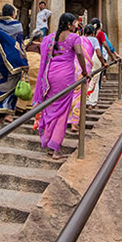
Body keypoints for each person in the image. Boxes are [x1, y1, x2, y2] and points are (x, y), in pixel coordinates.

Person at [35, 13, 90, 161]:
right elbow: (79, 52)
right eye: (74, 23)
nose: (76, 26)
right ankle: (55, 148)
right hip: (65, 75)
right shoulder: (74, 37)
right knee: (63, 110)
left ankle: (49, 140)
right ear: (68, 24)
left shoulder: (52, 37)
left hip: (50, 73)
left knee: (52, 107)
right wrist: (85, 72)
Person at [0, 4, 28, 123]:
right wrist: (24, 60)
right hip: (13, 61)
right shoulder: (17, 26)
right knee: (12, 85)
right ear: (12, 14)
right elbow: (20, 44)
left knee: (0, 85)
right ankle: (7, 114)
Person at [17, 29, 45, 114]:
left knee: (25, 83)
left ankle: (20, 106)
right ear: (40, 38)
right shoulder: (42, 45)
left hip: (26, 65)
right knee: (35, 86)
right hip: (37, 65)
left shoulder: (27, 43)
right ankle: (30, 106)